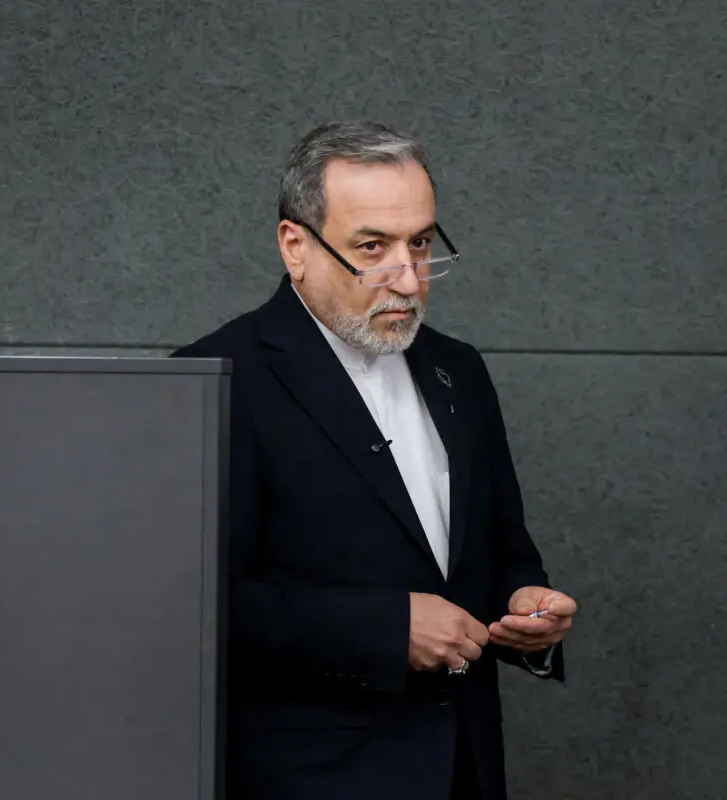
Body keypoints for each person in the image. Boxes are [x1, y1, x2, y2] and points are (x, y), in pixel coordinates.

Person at [171, 121, 577, 800]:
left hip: (465, 773)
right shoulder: (218, 380)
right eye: (372, 247)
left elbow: (505, 552)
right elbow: (190, 605)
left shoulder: (460, 371)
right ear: (294, 245)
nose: (409, 278)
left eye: (420, 244)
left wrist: (526, 611)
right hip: (308, 780)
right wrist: (386, 629)